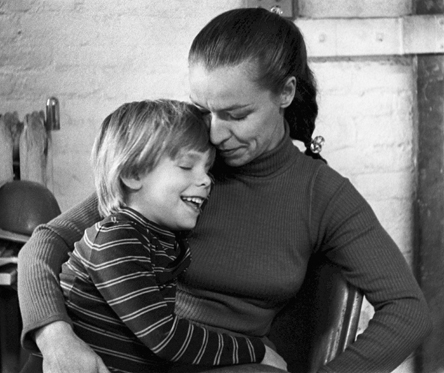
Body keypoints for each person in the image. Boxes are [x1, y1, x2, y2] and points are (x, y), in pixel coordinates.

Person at [18, 7, 432, 373]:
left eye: (236, 115)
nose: (215, 134)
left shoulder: (322, 194)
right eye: (204, 110)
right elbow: (46, 241)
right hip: (121, 352)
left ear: (286, 93)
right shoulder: (180, 162)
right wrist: (56, 338)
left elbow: (407, 310)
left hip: (225, 359)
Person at [20, 99, 287, 372]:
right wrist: (255, 351)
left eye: (207, 169)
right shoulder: (118, 238)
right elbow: (164, 336)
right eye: (186, 166)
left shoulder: (155, 238)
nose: (207, 180)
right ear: (133, 174)